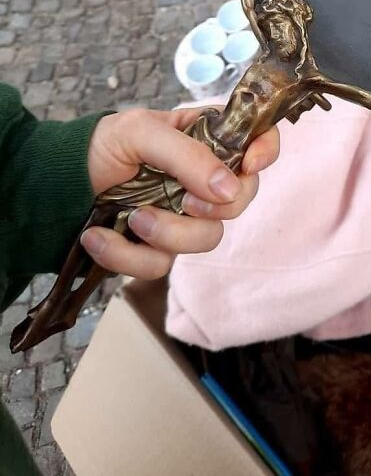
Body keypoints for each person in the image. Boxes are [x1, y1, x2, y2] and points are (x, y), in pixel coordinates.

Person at [0, 83, 280, 475]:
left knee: (114, 234)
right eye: (249, 92)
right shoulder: (217, 123)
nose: (249, 95)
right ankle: (58, 304)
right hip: (160, 179)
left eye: (257, 97)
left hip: (166, 180)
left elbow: (12, 164)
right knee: (109, 222)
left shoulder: (237, 136)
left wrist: (51, 173)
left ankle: (65, 304)